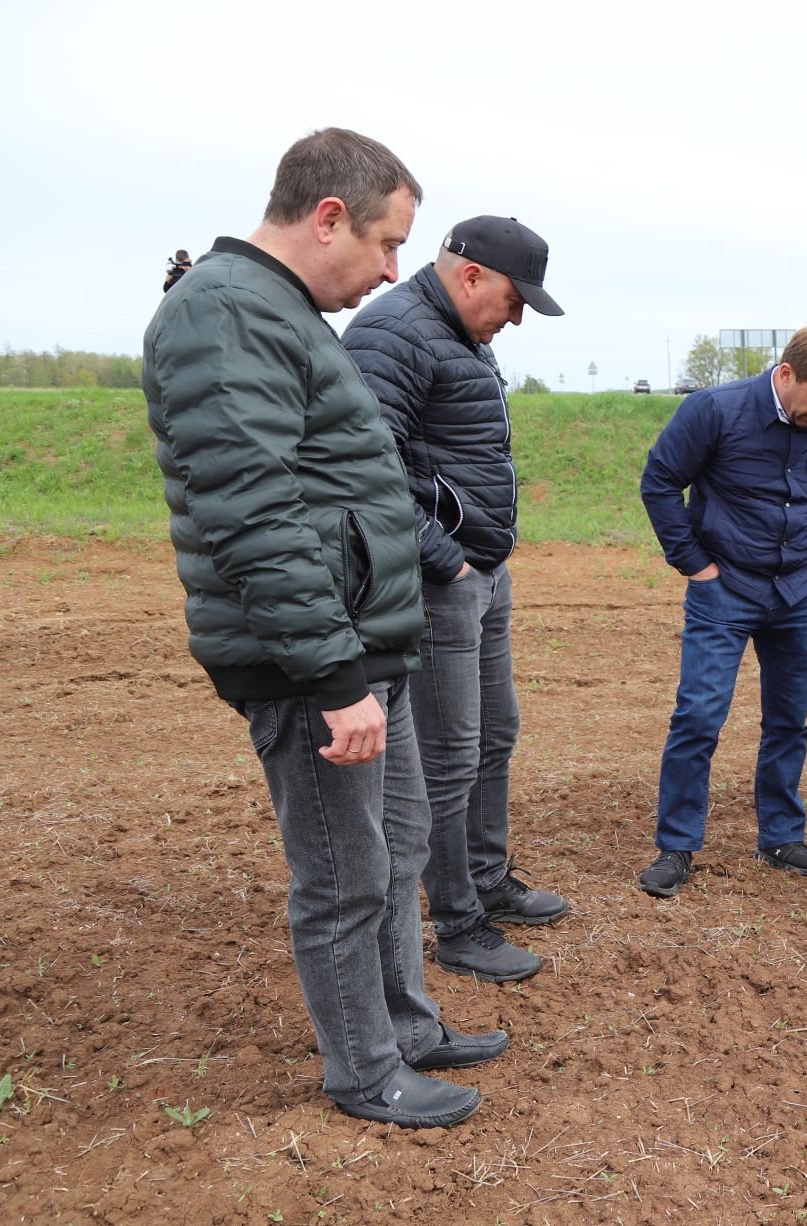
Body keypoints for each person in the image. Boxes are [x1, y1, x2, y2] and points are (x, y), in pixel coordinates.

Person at [141, 128, 504, 1128]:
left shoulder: (279, 313)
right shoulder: (223, 315)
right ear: (329, 216)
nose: (395, 270)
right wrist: (336, 676)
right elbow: (252, 510)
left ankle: (407, 1026)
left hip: (356, 648)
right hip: (311, 665)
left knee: (395, 849)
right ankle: (364, 1068)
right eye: (389, 243)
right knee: (344, 874)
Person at [343, 216, 569, 985]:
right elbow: (363, 470)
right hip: (443, 582)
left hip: (482, 572)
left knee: (495, 731)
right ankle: (459, 922)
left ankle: (485, 875)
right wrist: (447, 563)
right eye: (512, 301)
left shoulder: (462, 335)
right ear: (470, 276)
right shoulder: (393, 333)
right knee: (448, 753)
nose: (515, 319)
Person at [637, 326, 807, 898]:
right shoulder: (713, 410)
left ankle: (782, 836)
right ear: (786, 374)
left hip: (799, 593)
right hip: (725, 589)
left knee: (789, 720)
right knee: (698, 717)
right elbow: (660, 482)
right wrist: (696, 566)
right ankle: (678, 846)